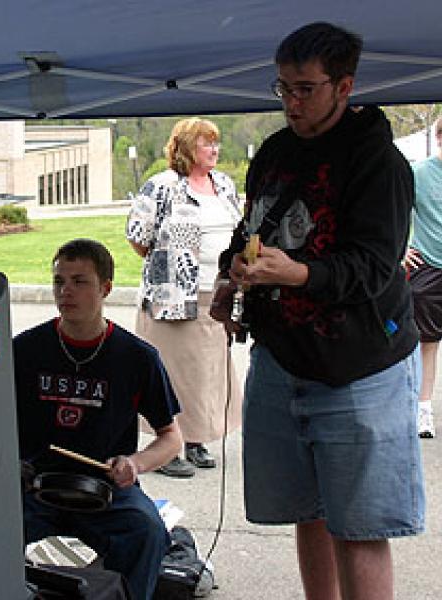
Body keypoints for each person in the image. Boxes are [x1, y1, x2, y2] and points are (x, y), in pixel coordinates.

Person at [210, 22, 425, 600]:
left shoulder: (378, 161)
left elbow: (377, 267)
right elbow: (250, 230)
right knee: (307, 513)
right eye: (283, 89)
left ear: (344, 86)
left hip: (360, 370)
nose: (292, 102)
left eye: (305, 89)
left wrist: (299, 273)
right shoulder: (277, 152)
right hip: (282, 363)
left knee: (359, 527)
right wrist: (233, 274)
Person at [14, 238, 180, 600]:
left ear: (105, 288)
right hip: (34, 486)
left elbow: (171, 438)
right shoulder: (23, 350)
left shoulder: (137, 357)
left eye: (79, 281)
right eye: (59, 282)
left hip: (104, 490)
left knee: (147, 531)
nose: (66, 291)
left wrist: (134, 464)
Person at [126, 118, 243, 478]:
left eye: (216, 144)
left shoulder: (223, 184)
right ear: (188, 147)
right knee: (175, 374)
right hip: (174, 296)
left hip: (218, 294)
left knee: (208, 374)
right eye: (207, 143)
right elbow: (137, 237)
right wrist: (169, 267)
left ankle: (196, 440)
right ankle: (168, 446)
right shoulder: (161, 187)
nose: (214, 150)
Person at [404, 117, 442, 439]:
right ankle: (423, 410)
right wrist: (401, 250)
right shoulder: (419, 173)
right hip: (428, 264)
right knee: (427, 342)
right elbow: (397, 213)